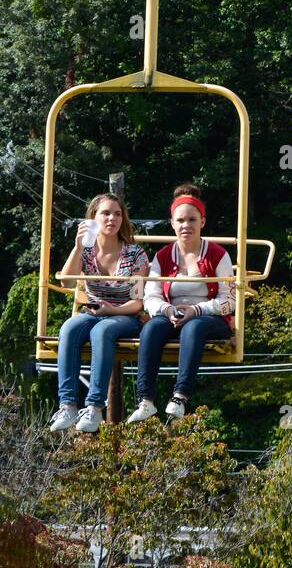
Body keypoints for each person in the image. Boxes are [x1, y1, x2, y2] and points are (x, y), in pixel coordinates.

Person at [126, 184, 235, 422]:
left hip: (210, 317)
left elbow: (230, 300)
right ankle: (145, 400)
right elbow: (151, 296)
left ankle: (180, 395)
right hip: (173, 314)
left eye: (192, 220)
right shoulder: (163, 256)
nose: (186, 226)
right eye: (181, 220)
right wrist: (168, 310)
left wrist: (196, 310)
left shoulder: (217, 255)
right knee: (152, 327)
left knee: (194, 326)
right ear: (172, 223)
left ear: (202, 222)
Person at [48, 194, 149, 433]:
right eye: (105, 213)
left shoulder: (135, 254)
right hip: (95, 312)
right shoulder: (86, 252)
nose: (112, 218)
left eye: (117, 213)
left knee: (102, 330)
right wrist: (78, 245)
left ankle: (94, 406)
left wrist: (111, 309)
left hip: (125, 315)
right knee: (69, 328)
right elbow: (67, 283)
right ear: (94, 218)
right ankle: (68, 405)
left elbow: (138, 303)